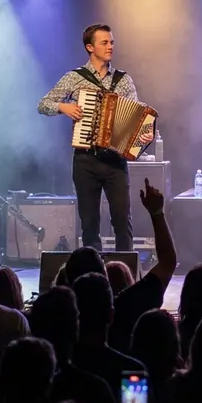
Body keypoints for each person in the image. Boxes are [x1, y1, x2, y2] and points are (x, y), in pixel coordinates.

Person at [38, 23, 155, 251]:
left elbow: (137, 117)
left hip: (115, 161)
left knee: (122, 220)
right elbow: (43, 104)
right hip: (85, 160)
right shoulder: (75, 78)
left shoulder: (123, 80)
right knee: (89, 222)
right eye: (104, 42)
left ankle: (125, 270)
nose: (110, 46)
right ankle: (94, 273)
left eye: (111, 42)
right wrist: (64, 107)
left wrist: (144, 133)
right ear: (90, 47)